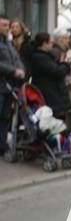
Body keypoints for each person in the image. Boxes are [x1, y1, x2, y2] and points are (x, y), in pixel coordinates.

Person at [29, 32, 71, 121]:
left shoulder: (46, 56)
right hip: (49, 96)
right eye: (51, 42)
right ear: (44, 43)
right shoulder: (40, 57)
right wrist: (65, 64)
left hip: (53, 95)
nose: (53, 45)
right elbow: (57, 71)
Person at [0, 14, 26, 154]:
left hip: (9, 88)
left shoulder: (8, 43)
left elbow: (16, 59)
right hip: (2, 86)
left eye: (8, 25)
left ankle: (2, 146)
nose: (7, 28)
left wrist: (21, 69)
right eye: (4, 25)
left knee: (5, 118)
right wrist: (13, 71)